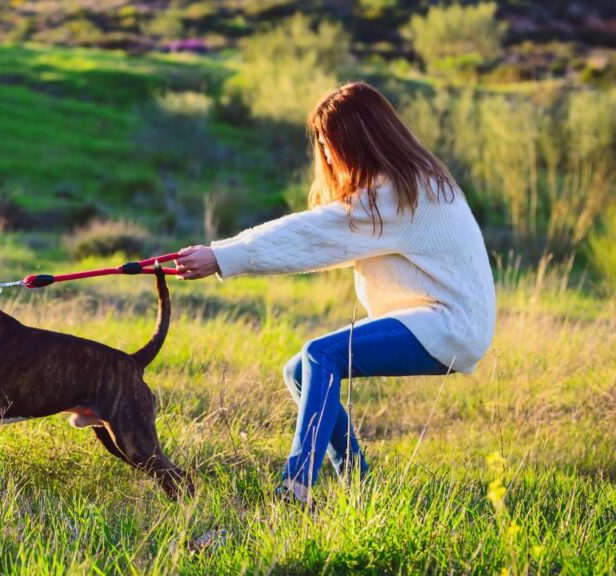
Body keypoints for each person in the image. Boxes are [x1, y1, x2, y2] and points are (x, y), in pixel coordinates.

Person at [175, 82, 495, 506]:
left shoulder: (399, 194)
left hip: (450, 323)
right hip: (437, 317)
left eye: (329, 144)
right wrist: (222, 256)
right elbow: (320, 234)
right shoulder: (403, 183)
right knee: (299, 371)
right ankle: (360, 486)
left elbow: (310, 233)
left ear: (357, 140)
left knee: (319, 354)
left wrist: (221, 256)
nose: (324, 155)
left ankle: (296, 485)